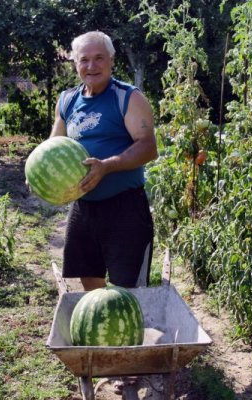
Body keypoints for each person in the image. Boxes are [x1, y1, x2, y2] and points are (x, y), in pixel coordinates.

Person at [49, 31, 157, 291]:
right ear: (75, 63)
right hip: (84, 208)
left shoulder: (128, 98)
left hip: (125, 209)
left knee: (128, 290)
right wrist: (38, 175)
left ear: (111, 60)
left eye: (99, 58)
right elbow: (52, 148)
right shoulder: (67, 101)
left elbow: (148, 147)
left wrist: (107, 166)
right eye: (84, 59)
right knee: (91, 284)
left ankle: (129, 330)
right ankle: (97, 329)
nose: (91, 66)